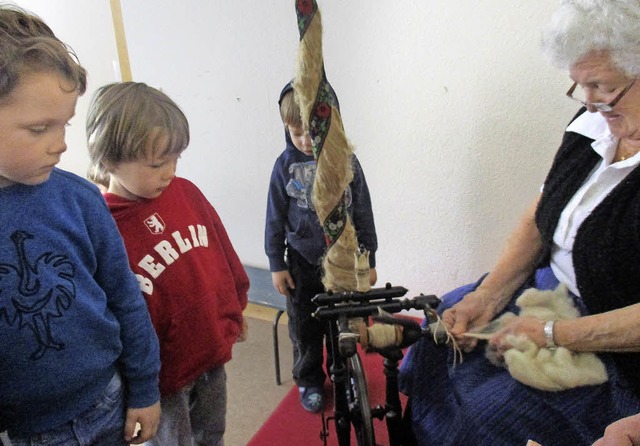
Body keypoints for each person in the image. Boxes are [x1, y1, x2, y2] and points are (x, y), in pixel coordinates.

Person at [398, 1, 640, 445]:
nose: (587, 101)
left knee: (486, 419)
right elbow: (542, 213)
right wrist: (489, 295)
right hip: (553, 293)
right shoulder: (594, 122)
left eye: (599, 85)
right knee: (435, 348)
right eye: (578, 85)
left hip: (616, 341)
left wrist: (554, 334)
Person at [0, 6, 161, 445]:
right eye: (39, 129)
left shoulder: (80, 199)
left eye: (65, 124)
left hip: (108, 399)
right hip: (28, 431)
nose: (62, 143)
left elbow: (125, 297)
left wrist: (145, 387)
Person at [86, 81, 250, 446]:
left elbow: (221, 255)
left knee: (212, 433)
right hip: (162, 378)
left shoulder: (187, 192)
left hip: (208, 352)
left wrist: (235, 307)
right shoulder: (103, 227)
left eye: (176, 158)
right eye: (158, 163)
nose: (170, 171)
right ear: (109, 159)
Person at [264, 82, 378, 412]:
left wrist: (368, 258)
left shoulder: (347, 161)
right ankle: (310, 379)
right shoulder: (284, 167)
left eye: (312, 132)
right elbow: (274, 218)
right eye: (297, 133)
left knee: (344, 325)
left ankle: (344, 374)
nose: (306, 141)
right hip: (301, 262)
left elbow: (363, 211)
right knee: (304, 329)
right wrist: (276, 262)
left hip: (343, 263)